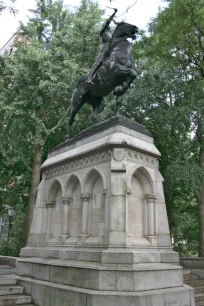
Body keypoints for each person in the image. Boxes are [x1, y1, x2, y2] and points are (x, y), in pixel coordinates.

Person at [86, 8, 118, 84]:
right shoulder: (102, 31)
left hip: (109, 52)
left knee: (108, 66)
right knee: (97, 64)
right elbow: (108, 21)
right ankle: (89, 79)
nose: (109, 28)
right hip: (104, 50)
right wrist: (114, 13)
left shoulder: (110, 34)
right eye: (108, 26)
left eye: (109, 28)